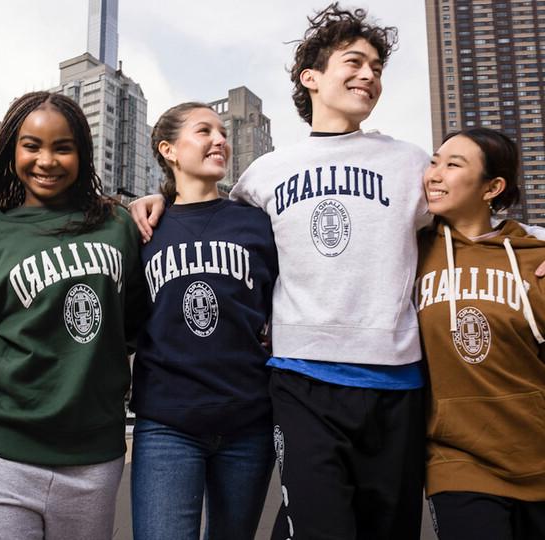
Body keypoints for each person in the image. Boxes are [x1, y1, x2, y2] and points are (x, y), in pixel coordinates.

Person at [129, 5, 545, 539]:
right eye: (355, 62)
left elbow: (472, 224)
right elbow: (208, 219)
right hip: (303, 380)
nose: (369, 75)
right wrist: (156, 197)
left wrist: (534, 244)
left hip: (398, 385)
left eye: (377, 67)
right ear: (312, 78)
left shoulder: (411, 162)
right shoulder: (263, 174)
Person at [0, 91, 146, 540]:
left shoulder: (117, 225)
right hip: (0, 453)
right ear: (12, 151)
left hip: (93, 459)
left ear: (82, 154)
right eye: (32, 145)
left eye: (62, 147)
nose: (46, 160)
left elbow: (134, 325)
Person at [128, 102, 278, 540]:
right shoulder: (142, 229)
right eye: (203, 131)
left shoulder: (257, 224)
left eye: (222, 132)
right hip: (167, 424)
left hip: (247, 422)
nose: (220, 139)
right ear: (168, 149)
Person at [416, 128, 545, 540]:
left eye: (453, 165)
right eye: (434, 161)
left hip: (537, 450)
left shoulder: (533, 256)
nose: (434, 174)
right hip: (456, 459)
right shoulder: (410, 251)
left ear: (493, 187)